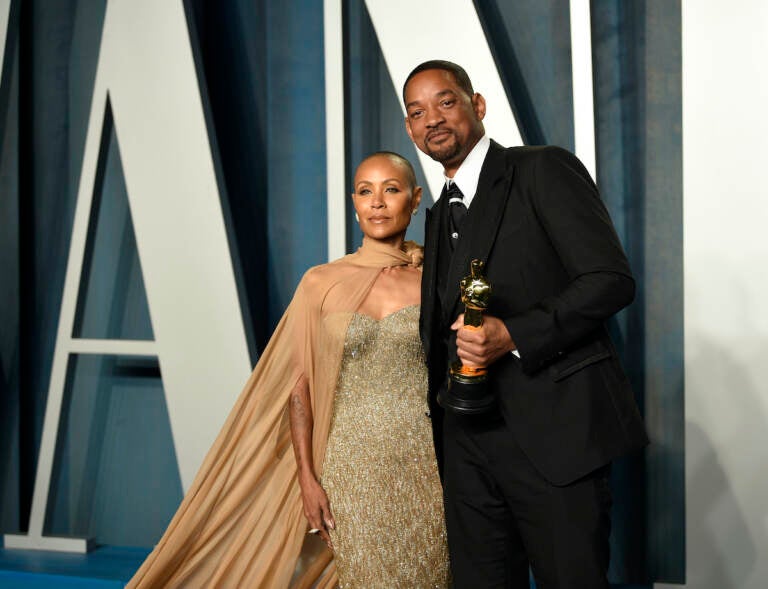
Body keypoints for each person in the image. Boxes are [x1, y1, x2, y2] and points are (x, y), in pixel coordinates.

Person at [126, 152, 450, 588]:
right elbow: (300, 388)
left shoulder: (435, 281)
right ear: (353, 202)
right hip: (350, 469)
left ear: (414, 201)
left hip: (428, 467)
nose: (377, 202)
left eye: (390, 190)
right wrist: (306, 477)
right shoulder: (321, 282)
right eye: (365, 191)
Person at [402, 60, 648, 588]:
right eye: (417, 112)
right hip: (467, 445)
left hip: (555, 437)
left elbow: (610, 279)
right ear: (409, 129)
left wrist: (513, 335)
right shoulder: (437, 212)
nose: (433, 120)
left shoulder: (542, 168)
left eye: (446, 102)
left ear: (478, 105)